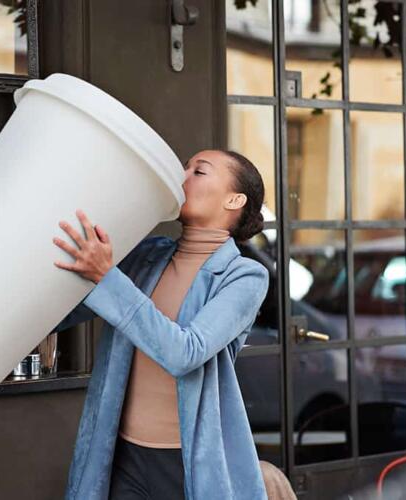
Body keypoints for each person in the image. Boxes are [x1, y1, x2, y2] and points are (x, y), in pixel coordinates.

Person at [50, 149, 271, 500]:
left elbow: (185, 353)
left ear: (234, 199)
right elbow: (64, 311)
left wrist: (106, 278)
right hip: (121, 454)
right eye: (184, 167)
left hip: (186, 462)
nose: (183, 176)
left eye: (199, 171)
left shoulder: (244, 276)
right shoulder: (148, 255)